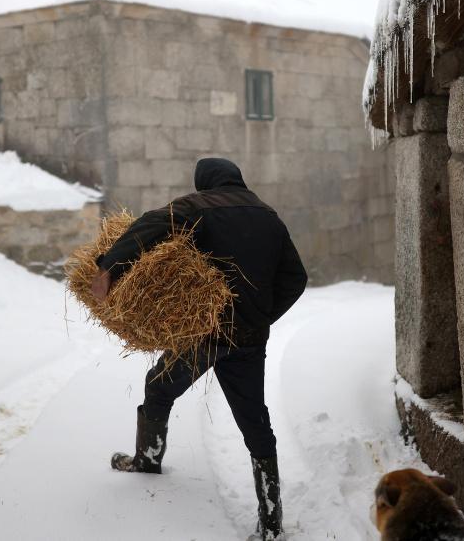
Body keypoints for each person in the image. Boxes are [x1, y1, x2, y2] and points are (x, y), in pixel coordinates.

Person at [90, 157, 308, 541]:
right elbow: (296, 278)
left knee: (159, 386)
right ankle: (272, 523)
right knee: (255, 422)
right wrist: (260, 317)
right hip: (249, 339)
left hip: (206, 334)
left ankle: (147, 460)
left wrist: (110, 265)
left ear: (205, 182)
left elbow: (149, 227)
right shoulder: (268, 215)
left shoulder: (199, 207)